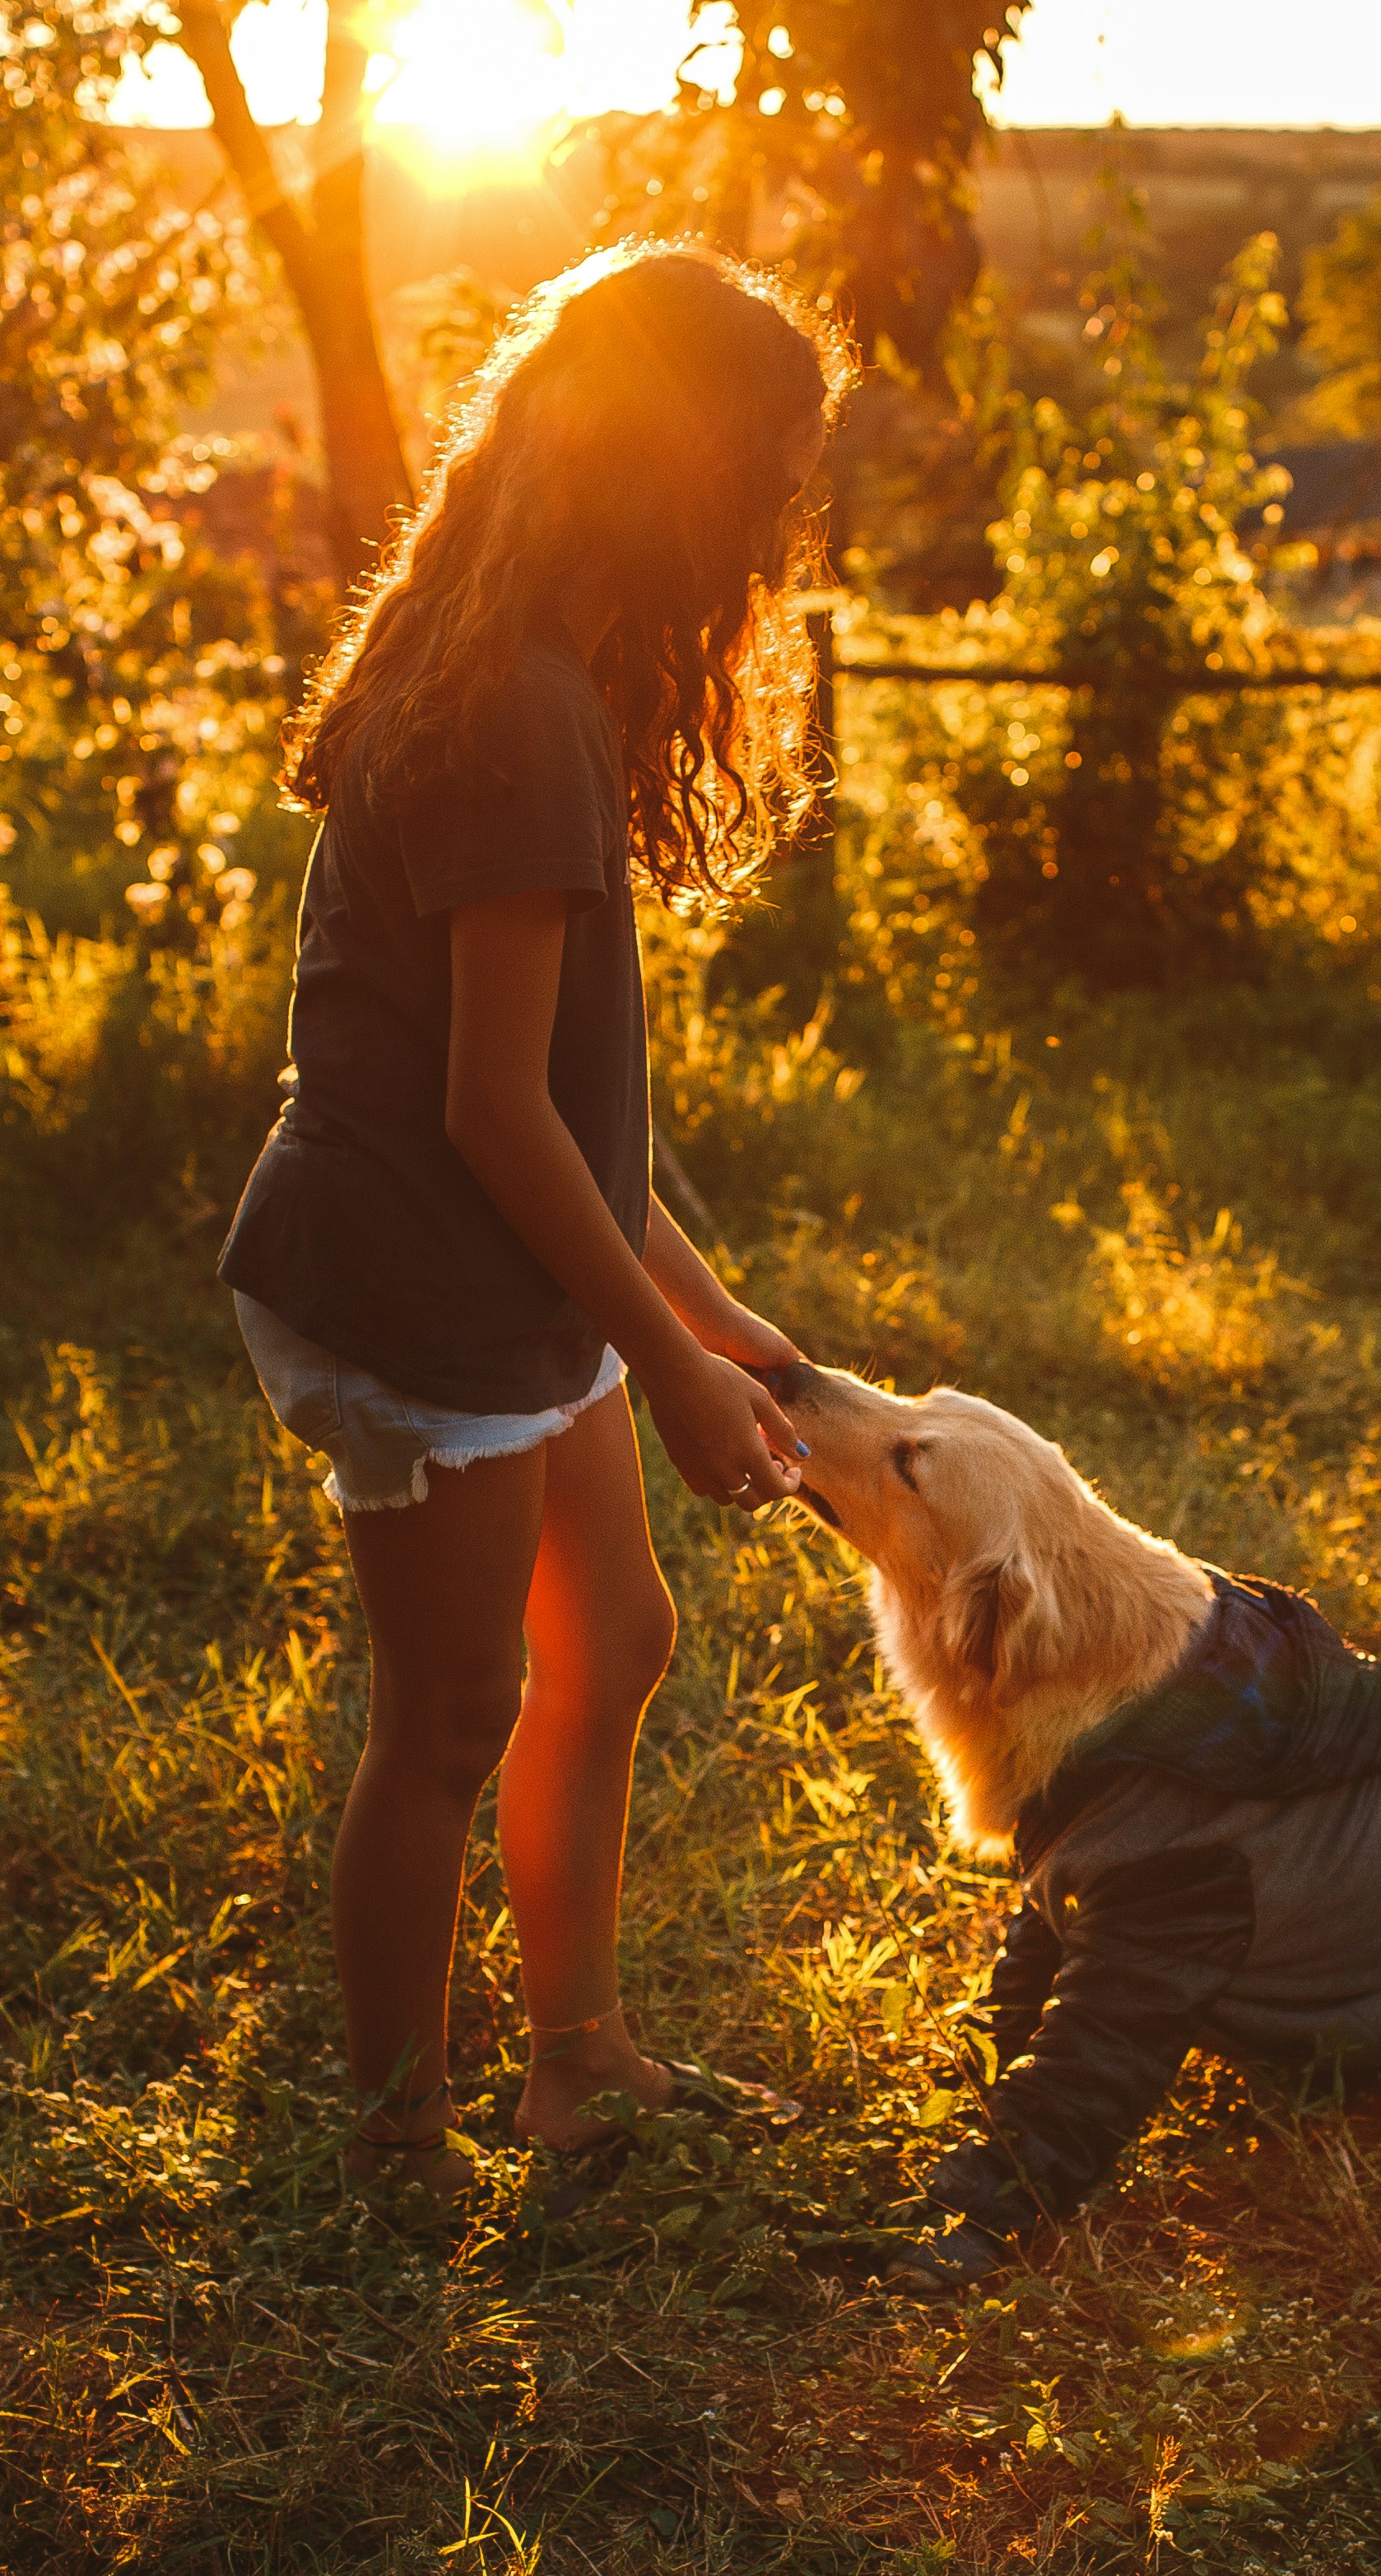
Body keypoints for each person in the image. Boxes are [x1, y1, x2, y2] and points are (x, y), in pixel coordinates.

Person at [216, 245, 849, 2196]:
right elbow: (489, 1114)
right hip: (408, 1278)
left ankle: (576, 2062)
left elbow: (563, 1119)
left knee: (618, 1634)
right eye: (763, 490)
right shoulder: (514, 712)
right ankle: (392, 2141)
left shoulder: (537, 680)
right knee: (452, 1712)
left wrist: (714, 1319)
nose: (773, 538)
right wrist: (669, 1367)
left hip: (501, 1257)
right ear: (679, 478)